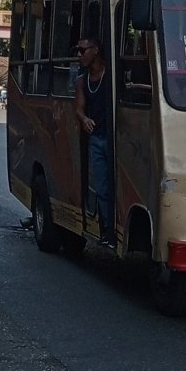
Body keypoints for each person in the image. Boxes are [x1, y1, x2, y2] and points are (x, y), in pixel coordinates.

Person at [74, 36, 115, 248]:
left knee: (117, 186)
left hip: (116, 139)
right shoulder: (82, 80)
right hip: (98, 139)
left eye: (83, 50)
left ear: (96, 50)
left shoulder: (112, 73)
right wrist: (84, 119)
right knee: (101, 188)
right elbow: (79, 108)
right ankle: (108, 230)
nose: (79, 55)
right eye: (78, 51)